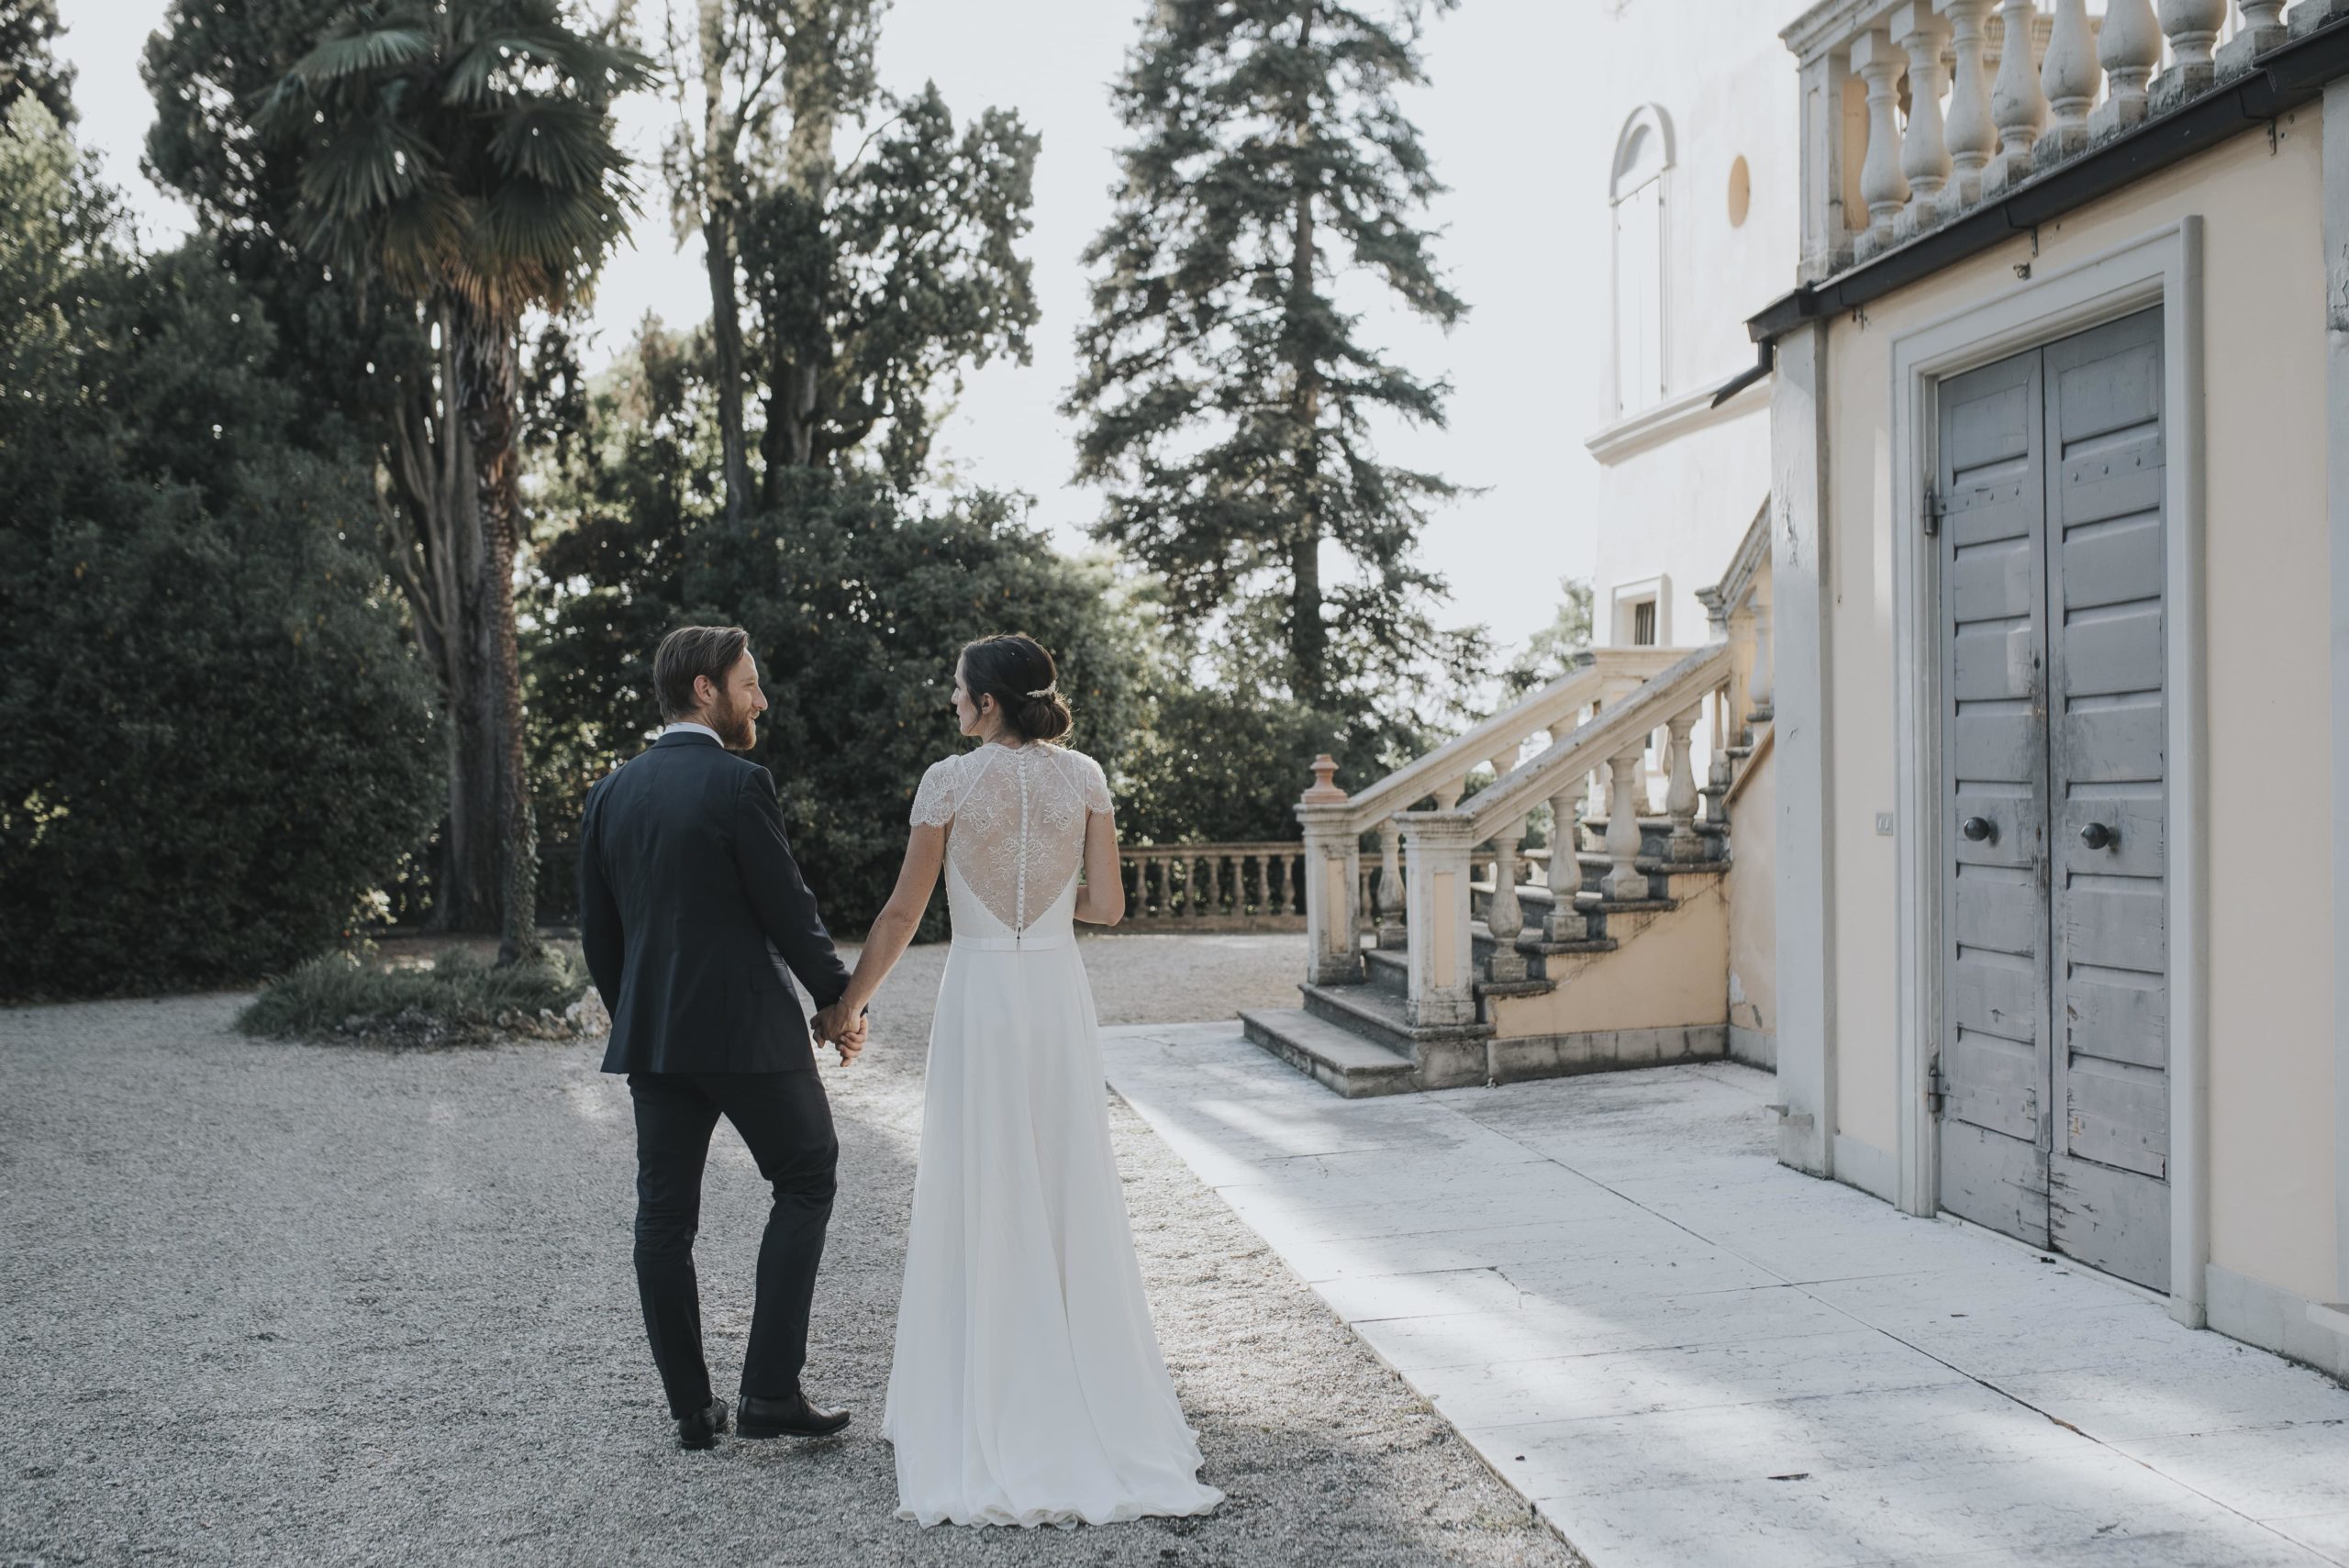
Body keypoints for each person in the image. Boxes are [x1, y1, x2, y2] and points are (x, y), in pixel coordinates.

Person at [819, 632, 1223, 1527]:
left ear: (988, 701)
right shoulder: (1084, 775)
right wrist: (1044, 906)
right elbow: (1108, 906)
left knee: (983, 1172)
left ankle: (986, 1383)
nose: (950, 701)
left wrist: (847, 1004)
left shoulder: (948, 781)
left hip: (981, 998)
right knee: (1062, 1173)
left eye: (957, 688)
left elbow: (900, 910)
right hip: (1053, 990)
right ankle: (1084, 1380)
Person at [578, 625, 867, 1451]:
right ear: (705, 689)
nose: (761, 699)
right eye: (749, 683)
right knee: (807, 1174)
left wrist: (640, 1010)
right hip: (748, 1036)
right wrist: (839, 1002)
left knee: (663, 1221)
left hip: (655, 1041)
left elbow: (600, 936)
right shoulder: (739, 783)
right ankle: (770, 1391)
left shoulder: (610, 792)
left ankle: (692, 1412)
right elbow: (790, 908)